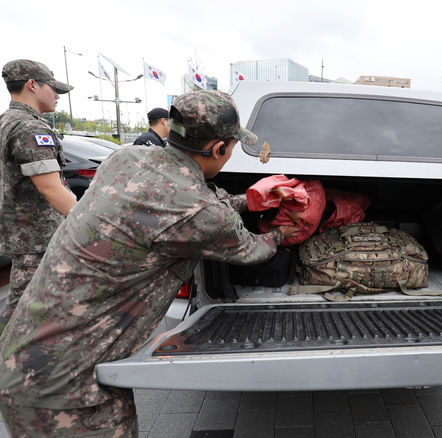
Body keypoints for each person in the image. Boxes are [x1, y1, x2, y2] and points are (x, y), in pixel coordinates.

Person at [0, 90, 299, 437]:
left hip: (28, 356)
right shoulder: (200, 211)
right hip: (66, 387)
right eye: (232, 146)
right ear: (219, 148)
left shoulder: (126, 159)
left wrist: (248, 201)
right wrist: (282, 233)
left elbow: (181, 211)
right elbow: (251, 250)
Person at [0, 59, 77, 331]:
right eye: (53, 88)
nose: (57, 95)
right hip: (37, 235)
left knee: (30, 303)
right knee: (25, 309)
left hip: (25, 234)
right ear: (32, 85)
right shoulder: (30, 128)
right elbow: (51, 188)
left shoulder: (7, 121)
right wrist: (86, 222)